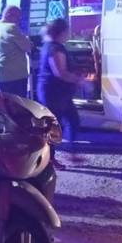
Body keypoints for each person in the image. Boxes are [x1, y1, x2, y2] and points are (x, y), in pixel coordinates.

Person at [36, 19, 84, 169]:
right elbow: (60, 72)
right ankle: (49, 159)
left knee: (71, 120)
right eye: (67, 31)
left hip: (56, 92)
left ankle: (70, 152)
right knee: (54, 126)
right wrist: (79, 80)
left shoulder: (50, 46)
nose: (69, 33)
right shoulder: (55, 48)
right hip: (54, 93)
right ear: (61, 32)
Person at [0, 5, 32, 97]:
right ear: (9, 15)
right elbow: (27, 47)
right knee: (17, 104)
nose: (19, 20)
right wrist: (29, 42)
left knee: (2, 103)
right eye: (18, 17)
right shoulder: (11, 28)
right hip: (13, 75)